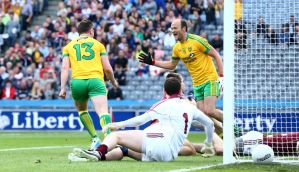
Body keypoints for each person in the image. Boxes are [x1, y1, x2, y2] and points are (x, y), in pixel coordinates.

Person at [69, 77, 215, 162]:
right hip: (169, 155)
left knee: (115, 136)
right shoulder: (190, 106)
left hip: (157, 142)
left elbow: (139, 120)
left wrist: (117, 125)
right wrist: (208, 144)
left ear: (164, 90)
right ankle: (91, 158)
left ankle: (98, 152)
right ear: (180, 90)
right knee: (124, 149)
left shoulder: (162, 104)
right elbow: (209, 123)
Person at [138, 19, 224, 132]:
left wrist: (222, 77)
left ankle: (232, 124)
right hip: (197, 84)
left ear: (183, 29)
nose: (172, 30)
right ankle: (223, 133)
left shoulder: (197, 41)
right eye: (171, 28)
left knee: (210, 111)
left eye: (175, 28)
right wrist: (153, 62)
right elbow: (172, 65)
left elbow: (216, 55)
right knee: (204, 115)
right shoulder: (177, 48)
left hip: (210, 79)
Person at [59, 20, 118, 150]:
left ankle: (95, 138)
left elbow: (64, 68)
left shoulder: (68, 47)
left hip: (77, 82)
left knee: (82, 111)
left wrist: (63, 88)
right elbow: (107, 68)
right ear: (91, 31)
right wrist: (113, 82)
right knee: (103, 112)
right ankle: (109, 141)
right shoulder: (98, 45)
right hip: (96, 80)